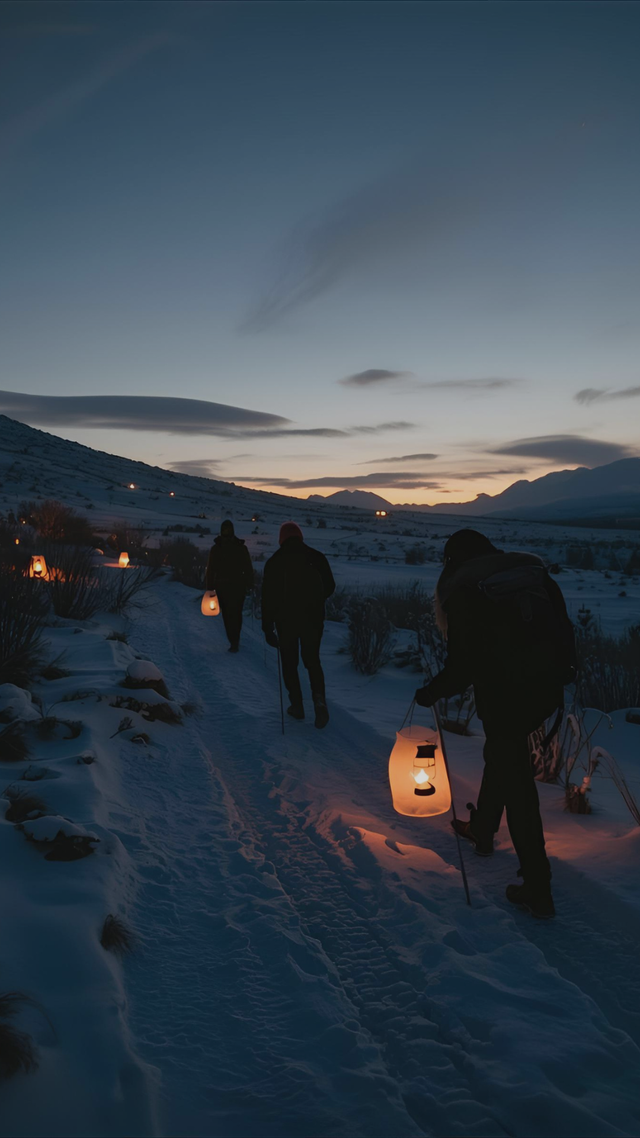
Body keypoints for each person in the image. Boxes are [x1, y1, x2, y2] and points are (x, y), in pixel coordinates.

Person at [415, 528, 576, 920]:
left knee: (517, 784)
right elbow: (565, 635)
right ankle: (484, 828)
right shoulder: (530, 575)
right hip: (543, 692)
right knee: (503, 754)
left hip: (505, 697)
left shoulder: (467, 590)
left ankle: (538, 888)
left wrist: (431, 692)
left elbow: (463, 664)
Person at [262, 522, 335, 728]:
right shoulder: (316, 557)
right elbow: (330, 586)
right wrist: (316, 601)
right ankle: (319, 702)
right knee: (312, 661)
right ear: (300, 536)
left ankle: (297, 705)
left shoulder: (275, 561)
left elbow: (267, 598)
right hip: (313, 619)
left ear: (282, 538)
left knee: (289, 662)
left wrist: (267, 627)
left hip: (286, 621)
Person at [205, 520, 254, 652]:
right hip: (230, 586)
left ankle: (234, 640)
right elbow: (211, 569)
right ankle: (234, 640)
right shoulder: (231, 548)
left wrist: (209, 587)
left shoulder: (231, 548)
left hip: (232, 586)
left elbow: (247, 567)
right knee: (231, 614)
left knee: (232, 614)